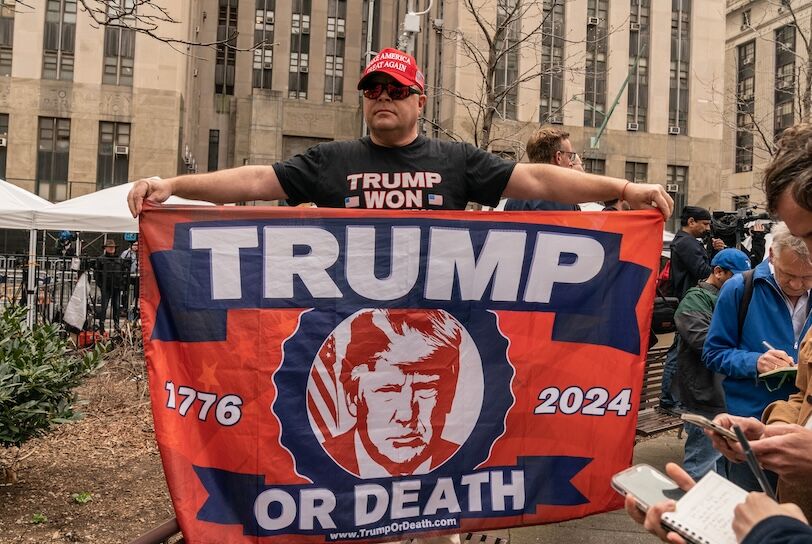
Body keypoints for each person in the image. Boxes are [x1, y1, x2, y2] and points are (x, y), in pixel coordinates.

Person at [127, 48, 671, 544]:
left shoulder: (456, 161)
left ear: (418, 99)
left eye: (394, 89)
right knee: (354, 506)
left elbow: (539, 182)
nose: (382, 98)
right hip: (355, 359)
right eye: (372, 90)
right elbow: (255, 181)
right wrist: (174, 186)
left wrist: (622, 190)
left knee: (439, 510)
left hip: (439, 357)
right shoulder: (331, 161)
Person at [703, 222, 810, 491]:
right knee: (751, 510)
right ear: (772, 255)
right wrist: (755, 362)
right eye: (788, 274)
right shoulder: (740, 288)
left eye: (808, 276)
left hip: (803, 432)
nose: (797, 284)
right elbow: (714, 352)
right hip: (752, 424)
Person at [321, 309, 462, 478]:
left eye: (425, 388)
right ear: (353, 398)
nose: (407, 415)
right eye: (387, 389)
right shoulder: (316, 463)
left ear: (450, 396)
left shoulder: (466, 461)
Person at [673, 248, 751, 480]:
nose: (741, 282)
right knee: (701, 465)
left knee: (722, 462)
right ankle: (690, 513)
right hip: (705, 394)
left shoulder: (733, 297)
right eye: (735, 276)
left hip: (725, 394)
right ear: (718, 272)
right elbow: (704, 341)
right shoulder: (695, 299)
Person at [660, 205, 725, 411]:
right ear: (691, 222)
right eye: (704, 224)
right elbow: (703, 271)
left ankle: (670, 399)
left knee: (677, 351)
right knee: (677, 353)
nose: (707, 228)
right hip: (690, 304)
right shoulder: (686, 243)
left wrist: (711, 251)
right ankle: (669, 400)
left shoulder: (688, 242)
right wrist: (715, 257)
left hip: (688, 302)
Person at [503, 126, 581, 211]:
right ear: (558, 157)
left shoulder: (513, 199)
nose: (571, 163)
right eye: (569, 156)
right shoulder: (561, 198)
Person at [94, 239, 125, 333]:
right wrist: (100, 285)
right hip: (105, 286)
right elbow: (96, 274)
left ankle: (116, 325)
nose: (111, 249)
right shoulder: (100, 259)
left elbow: (123, 273)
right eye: (109, 247)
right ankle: (101, 326)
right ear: (105, 248)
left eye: (113, 247)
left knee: (116, 306)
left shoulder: (120, 259)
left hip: (116, 286)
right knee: (104, 307)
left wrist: (122, 284)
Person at [120, 241, 139, 321]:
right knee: (126, 292)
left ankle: (135, 307)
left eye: (137, 245)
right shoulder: (126, 253)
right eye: (135, 245)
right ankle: (124, 308)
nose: (136, 247)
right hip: (127, 275)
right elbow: (121, 263)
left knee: (136, 293)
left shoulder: (140, 253)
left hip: (137, 276)